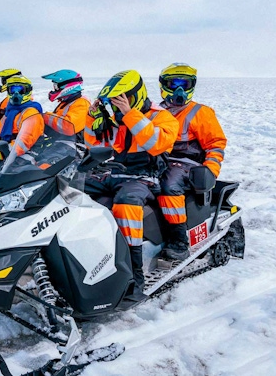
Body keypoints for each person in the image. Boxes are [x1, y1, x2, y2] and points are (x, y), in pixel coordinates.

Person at [83, 70, 179, 300]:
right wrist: (92, 118)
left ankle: (134, 277)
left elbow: (154, 144)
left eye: (121, 99)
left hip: (145, 176)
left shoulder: (162, 117)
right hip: (115, 173)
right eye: (114, 102)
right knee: (72, 191)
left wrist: (129, 113)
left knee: (126, 204)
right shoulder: (118, 120)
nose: (117, 105)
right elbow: (93, 143)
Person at [156, 63, 227, 260]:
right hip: (159, 159)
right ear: (164, 85)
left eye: (185, 84)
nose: (180, 89)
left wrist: (210, 171)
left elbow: (215, 144)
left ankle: (178, 239)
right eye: (174, 83)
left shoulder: (200, 113)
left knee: (168, 186)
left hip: (189, 164)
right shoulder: (156, 111)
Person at [0, 76, 44, 167]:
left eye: (21, 90)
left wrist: (1, 155)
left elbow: (23, 142)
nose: (16, 94)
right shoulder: (9, 113)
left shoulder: (31, 114)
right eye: (12, 90)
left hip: (28, 154)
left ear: (28, 91)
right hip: (11, 152)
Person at [41, 70, 91, 142]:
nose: (54, 89)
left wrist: (44, 116)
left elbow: (69, 127)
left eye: (56, 86)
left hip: (77, 147)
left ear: (68, 86)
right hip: (61, 143)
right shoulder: (67, 102)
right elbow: (56, 122)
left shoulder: (82, 104)